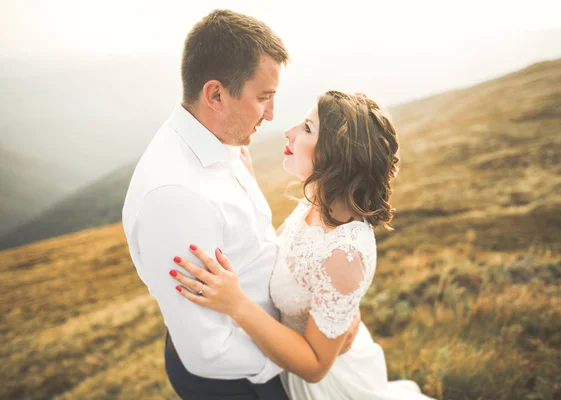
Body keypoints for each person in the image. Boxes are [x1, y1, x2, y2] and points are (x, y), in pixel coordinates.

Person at [121, 9, 361, 400]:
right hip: (244, 381)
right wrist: (300, 356)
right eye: (263, 98)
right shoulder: (176, 198)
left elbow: (255, 244)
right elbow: (208, 352)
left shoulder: (220, 140)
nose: (271, 115)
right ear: (215, 94)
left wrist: (328, 309)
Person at [170, 91, 436, 399]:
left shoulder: (343, 254)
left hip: (320, 386)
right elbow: (279, 249)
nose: (289, 131)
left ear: (335, 156)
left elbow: (314, 366)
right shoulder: (319, 205)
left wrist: (236, 304)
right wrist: (250, 188)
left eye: (307, 128)